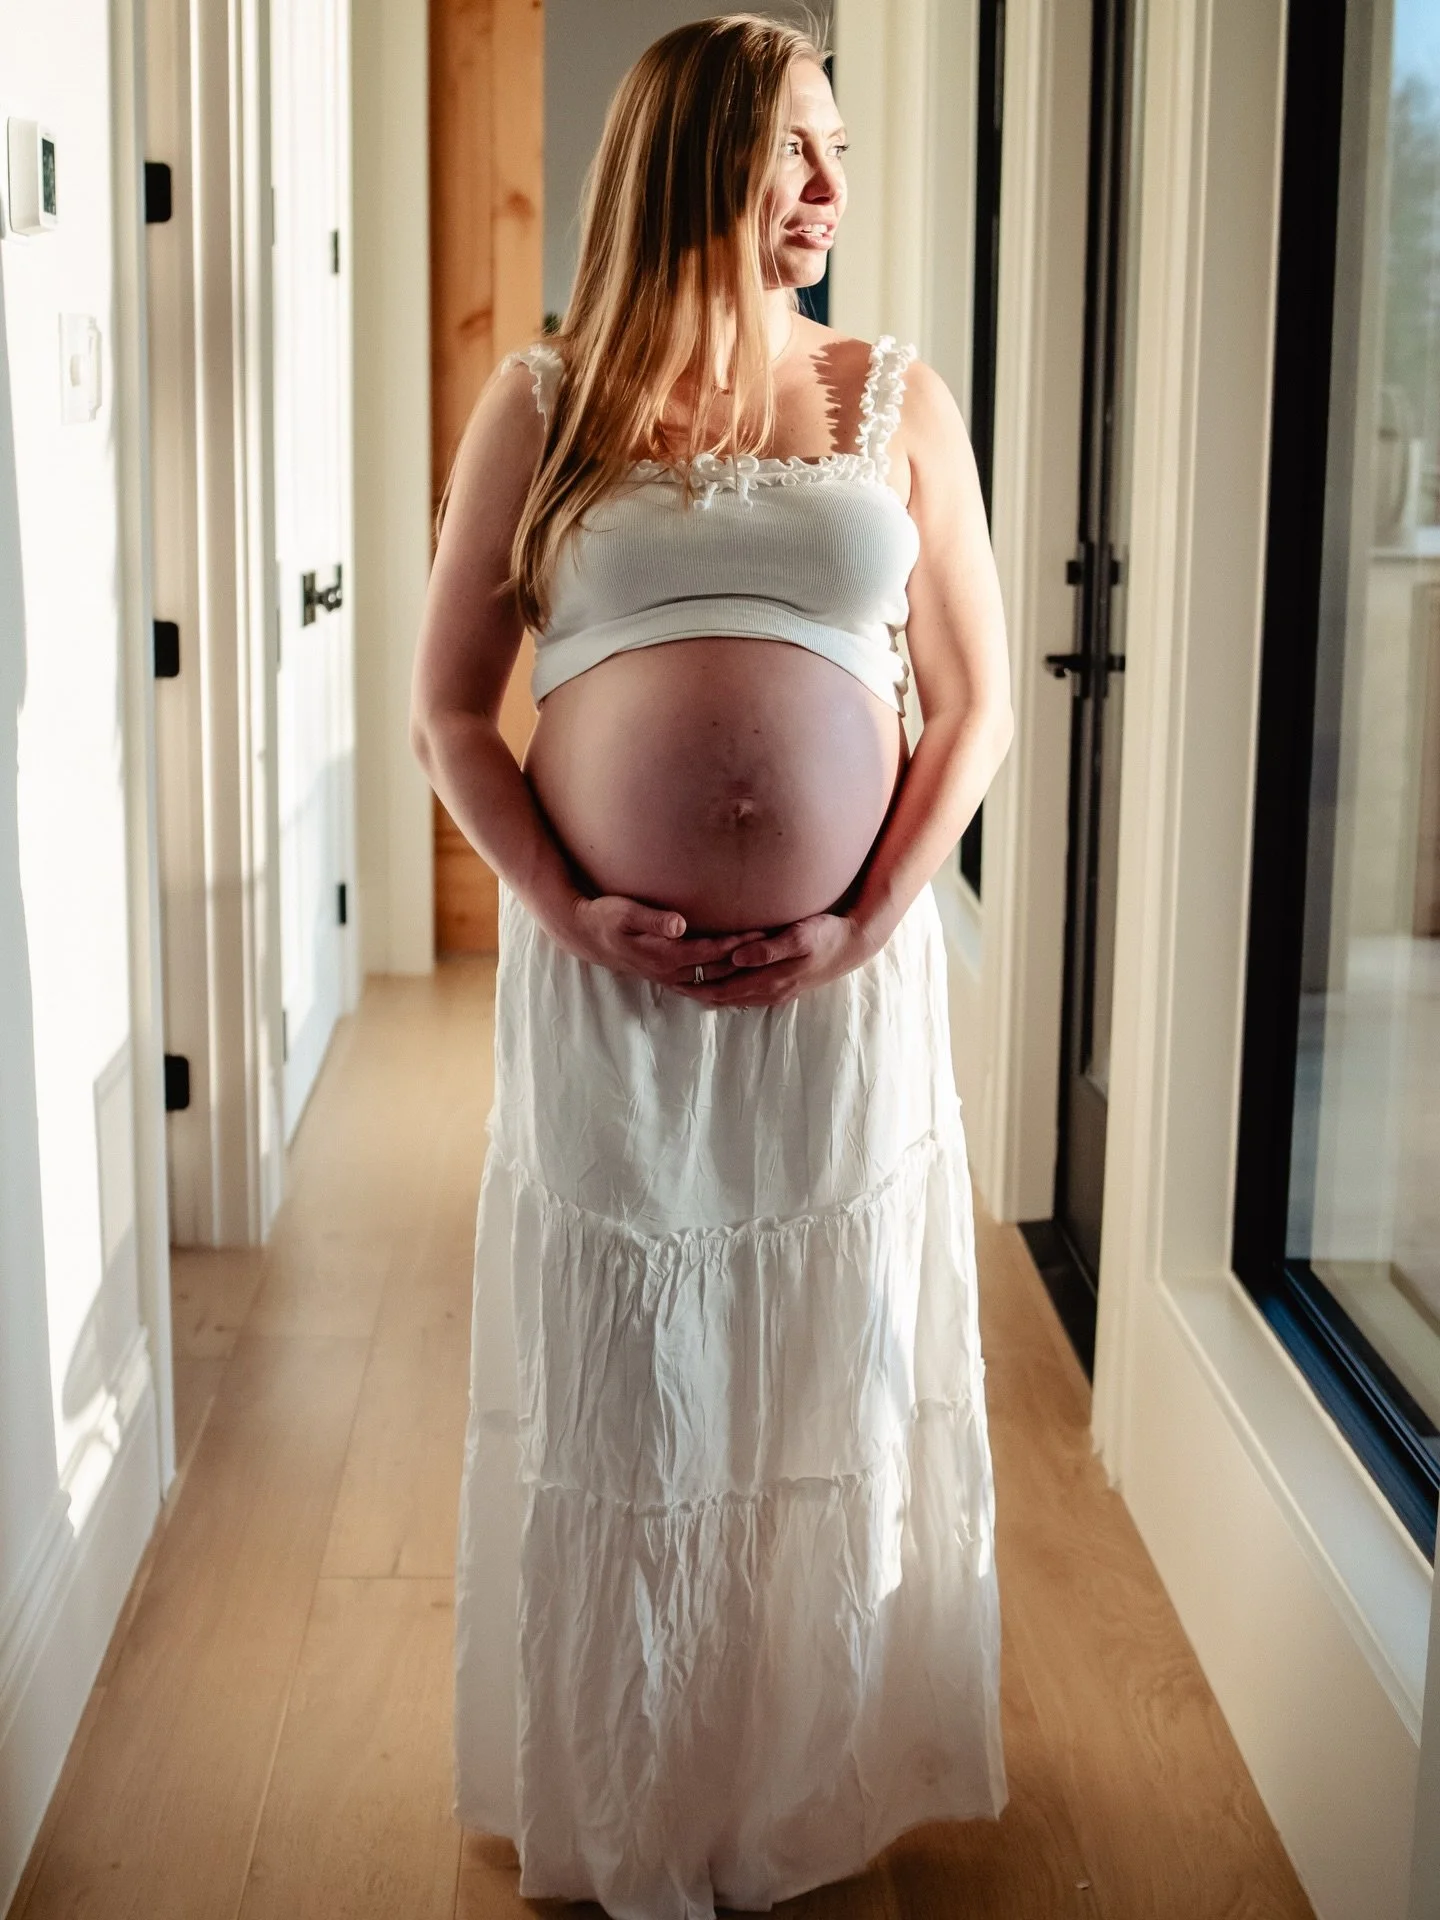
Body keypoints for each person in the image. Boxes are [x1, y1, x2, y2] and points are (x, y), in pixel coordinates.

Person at [409, 13, 1015, 1917]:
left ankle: (802, 1773)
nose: (837, 188)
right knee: (632, 1386)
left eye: (841, 149)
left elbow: (977, 708)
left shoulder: (891, 396)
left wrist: (870, 917)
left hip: (840, 993)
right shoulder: (544, 401)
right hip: (611, 992)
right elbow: (448, 710)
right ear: (693, 160)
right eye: (798, 150)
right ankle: (634, 1785)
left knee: (825, 1373)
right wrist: (566, 903)